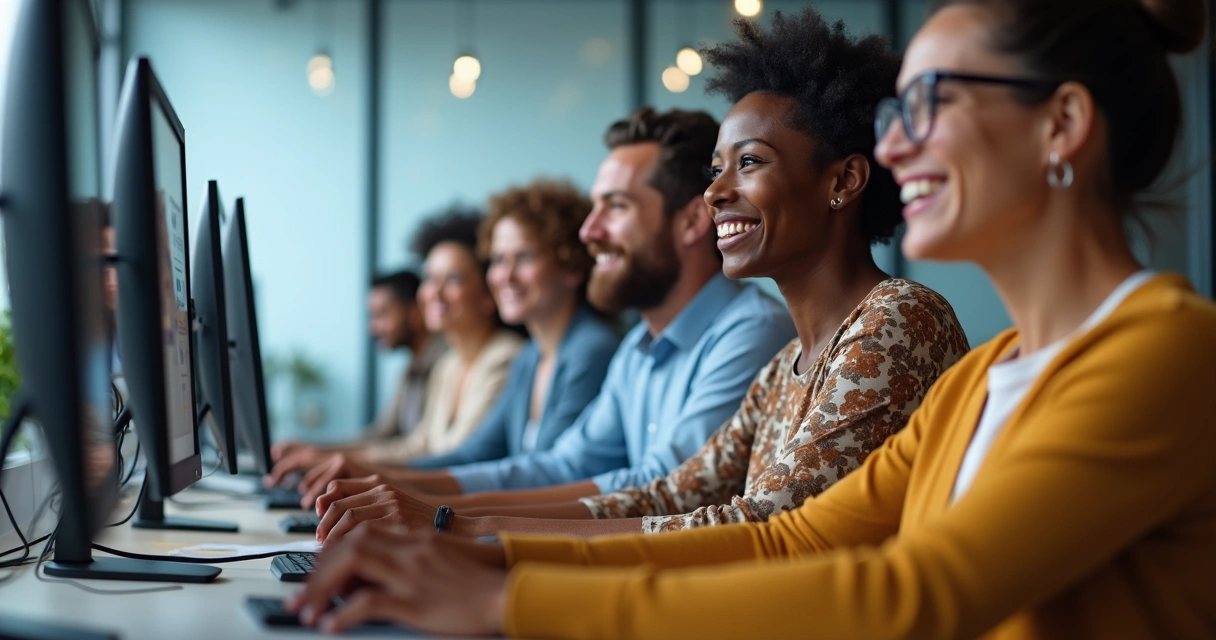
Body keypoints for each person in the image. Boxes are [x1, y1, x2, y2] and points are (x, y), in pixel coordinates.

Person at [291, 1, 1216, 637]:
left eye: (931, 104)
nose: (895, 142)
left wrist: (506, 598)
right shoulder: (981, 380)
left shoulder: (1165, 351)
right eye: (897, 112)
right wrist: (478, 552)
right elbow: (788, 537)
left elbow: (916, 596)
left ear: (1060, 126)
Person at [309, 8, 969, 542]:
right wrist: (444, 523)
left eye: (751, 163)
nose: (715, 194)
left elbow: (769, 530)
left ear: (844, 180)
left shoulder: (895, 321)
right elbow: (667, 495)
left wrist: (463, 531)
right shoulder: (787, 366)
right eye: (717, 169)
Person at [292, 107, 797, 514]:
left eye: (615, 207)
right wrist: (395, 485)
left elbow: (660, 489)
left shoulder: (749, 331)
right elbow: (560, 465)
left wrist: (442, 511)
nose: (588, 232)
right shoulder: (635, 350)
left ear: (690, 222)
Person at [288, 180, 621, 499]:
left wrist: (385, 478)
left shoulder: (590, 351)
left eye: (525, 258)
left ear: (572, 266)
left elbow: (549, 474)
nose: (505, 275)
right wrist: (373, 474)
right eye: (499, 260)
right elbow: (475, 453)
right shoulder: (532, 357)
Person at [265, 270, 445, 476]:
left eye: (382, 314)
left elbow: (421, 448)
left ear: (415, 312)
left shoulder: (444, 364)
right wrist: (312, 449)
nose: (373, 328)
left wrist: (326, 458)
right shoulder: (411, 369)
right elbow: (378, 435)